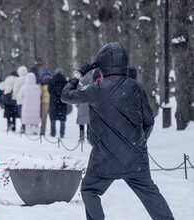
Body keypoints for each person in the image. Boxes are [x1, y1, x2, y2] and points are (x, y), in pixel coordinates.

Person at [61, 42, 174, 220]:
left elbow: (66, 95)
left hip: (104, 157)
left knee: (90, 190)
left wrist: (78, 74)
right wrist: (138, 141)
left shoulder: (97, 89)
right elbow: (149, 121)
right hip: (135, 156)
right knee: (150, 193)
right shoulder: (135, 87)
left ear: (102, 64)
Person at [48, 68, 68, 138]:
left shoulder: (51, 80)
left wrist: (54, 97)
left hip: (54, 102)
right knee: (62, 118)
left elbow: (49, 90)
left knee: (53, 118)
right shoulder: (65, 81)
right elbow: (67, 91)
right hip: (62, 102)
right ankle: (62, 133)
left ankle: (53, 132)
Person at [12, 66, 28, 133]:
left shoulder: (18, 80)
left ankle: (23, 127)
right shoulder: (28, 78)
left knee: (22, 114)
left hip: (20, 100)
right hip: (28, 100)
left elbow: (15, 90)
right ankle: (27, 126)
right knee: (27, 114)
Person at [39, 70, 52, 136]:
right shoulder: (52, 81)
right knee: (50, 117)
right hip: (51, 101)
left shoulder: (42, 82)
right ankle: (52, 131)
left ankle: (42, 131)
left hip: (44, 102)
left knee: (43, 117)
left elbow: (40, 93)